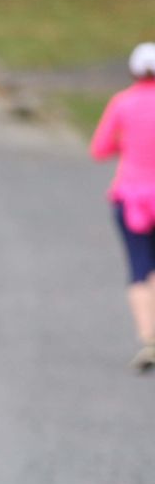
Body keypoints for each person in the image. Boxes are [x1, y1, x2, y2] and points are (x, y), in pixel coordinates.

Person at [91, 42, 155, 372]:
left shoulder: (123, 103)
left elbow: (100, 148)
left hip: (132, 197)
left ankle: (148, 340)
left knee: (139, 268)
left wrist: (127, 143)